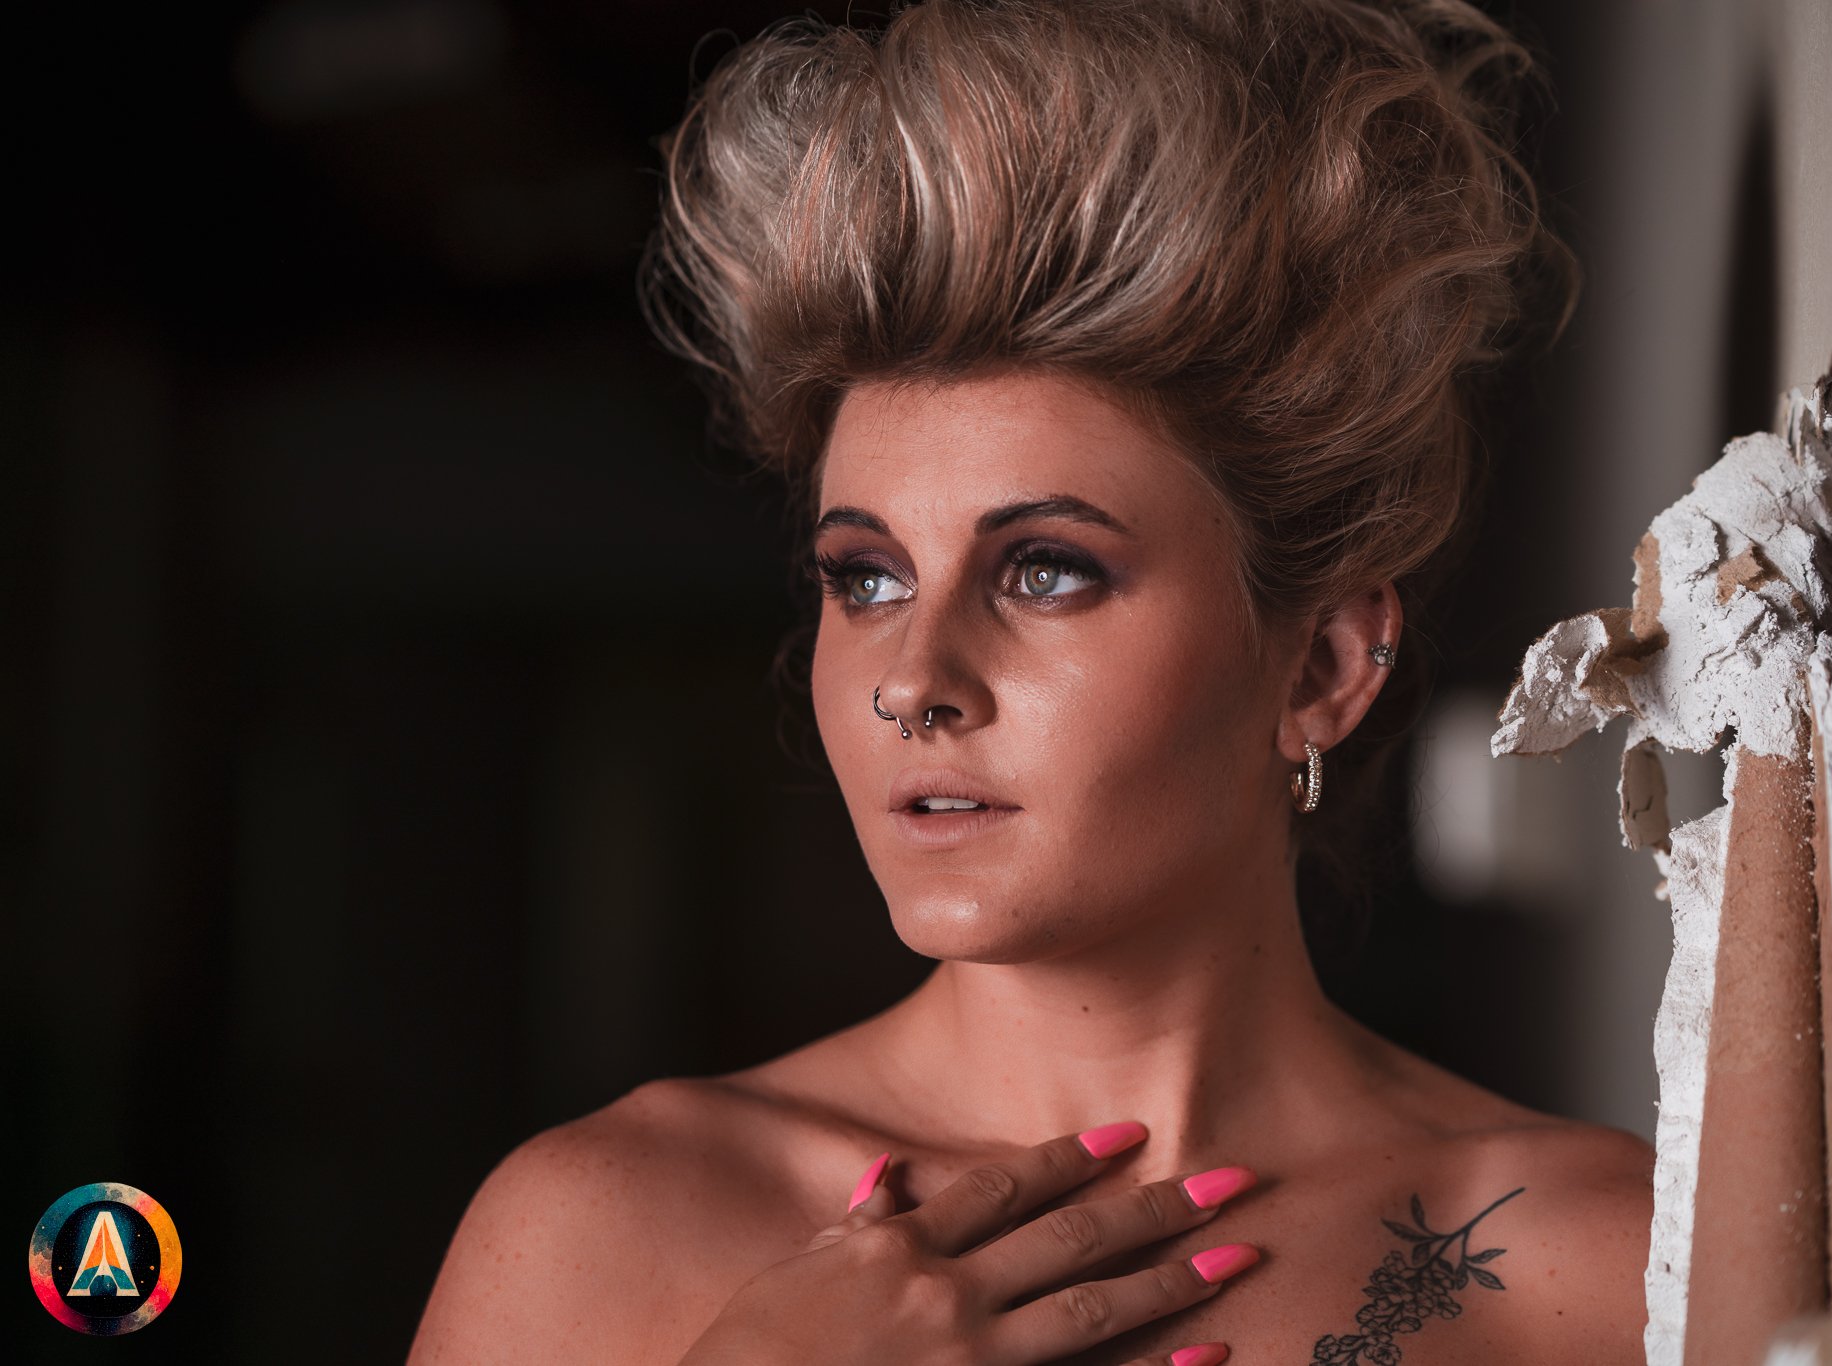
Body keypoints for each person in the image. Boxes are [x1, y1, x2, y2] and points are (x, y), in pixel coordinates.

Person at [408, 1, 1651, 1362]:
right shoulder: (603, 1230)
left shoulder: (1587, 1261)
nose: (914, 682)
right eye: (864, 577)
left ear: (1322, 663)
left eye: (1046, 569)